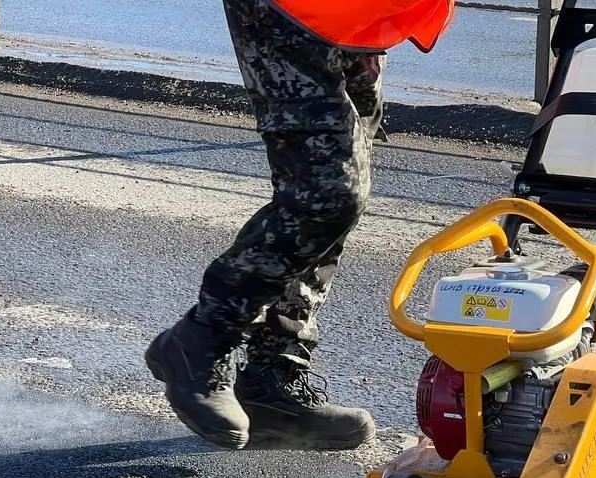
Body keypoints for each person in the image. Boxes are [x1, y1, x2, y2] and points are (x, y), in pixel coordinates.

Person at [145, 0, 457, 452]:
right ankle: (201, 339)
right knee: (330, 194)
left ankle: (272, 378)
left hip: (351, 17)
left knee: (338, 193)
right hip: (291, 9)